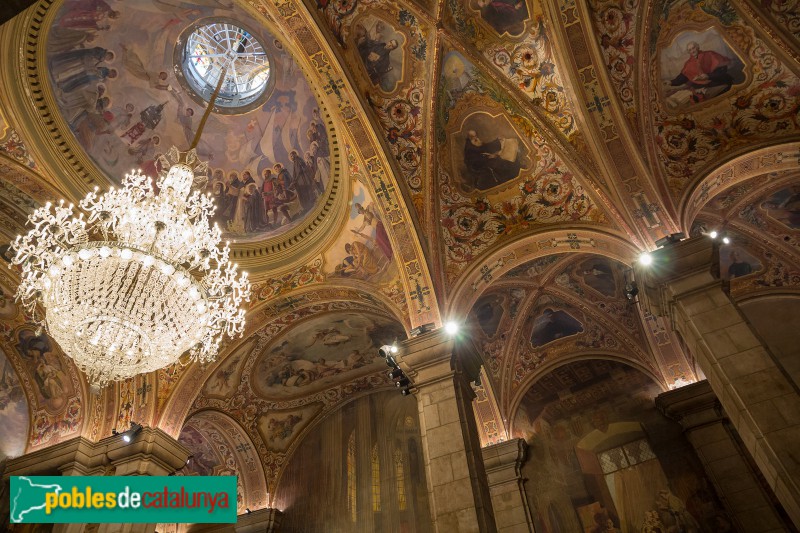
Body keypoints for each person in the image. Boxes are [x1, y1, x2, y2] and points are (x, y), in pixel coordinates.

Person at [667, 41, 733, 105]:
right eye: (690, 50)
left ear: (697, 47)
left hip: (717, 81)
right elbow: (683, 76)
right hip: (703, 86)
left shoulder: (710, 54)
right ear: (688, 52)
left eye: (693, 48)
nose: (692, 51)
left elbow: (723, 70)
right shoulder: (688, 63)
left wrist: (708, 76)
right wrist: (671, 82)